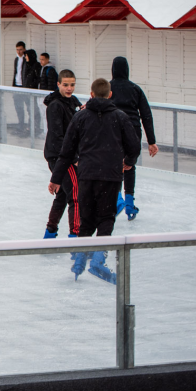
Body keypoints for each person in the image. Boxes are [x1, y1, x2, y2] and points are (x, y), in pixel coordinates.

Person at [49, 78, 140, 284]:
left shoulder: (80, 117)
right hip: (110, 175)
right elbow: (134, 146)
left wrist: (55, 179)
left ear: (91, 94)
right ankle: (98, 261)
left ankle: (80, 261)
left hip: (87, 175)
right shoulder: (120, 117)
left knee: (87, 219)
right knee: (106, 218)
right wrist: (128, 162)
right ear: (109, 95)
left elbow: (66, 152)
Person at [110, 56, 158, 221]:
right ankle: (129, 202)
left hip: (113, 130)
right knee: (129, 165)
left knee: (114, 165)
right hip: (133, 131)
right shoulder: (135, 89)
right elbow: (146, 116)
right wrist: (151, 141)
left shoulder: (108, 88)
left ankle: (117, 199)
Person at [42, 70, 82, 239]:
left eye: (72, 85)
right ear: (58, 84)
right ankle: (75, 235)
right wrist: (73, 159)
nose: (69, 88)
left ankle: (50, 232)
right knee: (76, 193)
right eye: (65, 85)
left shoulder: (71, 102)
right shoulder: (56, 106)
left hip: (64, 156)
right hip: (61, 157)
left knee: (64, 194)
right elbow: (58, 136)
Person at [11, 41, 29, 130]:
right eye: (17, 50)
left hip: (24, 86)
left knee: (29, 107)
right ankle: (21, 124)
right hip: (17, 86)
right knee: (18, 107)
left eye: (20, 50)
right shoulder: (16, 59)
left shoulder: (26, 60)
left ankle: (29, 126)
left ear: (24, 50)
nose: (19, 52)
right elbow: (15, 73)